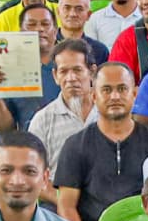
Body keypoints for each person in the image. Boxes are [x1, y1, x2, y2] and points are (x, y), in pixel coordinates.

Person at [52, 61, 148, 221]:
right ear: (93, 96)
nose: (115, 96)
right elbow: (67, 206)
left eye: (122, 89)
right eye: (106, 90)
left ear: (134, 94)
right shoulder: (75, 145)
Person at [22, 38, 100, 167]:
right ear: (55, 76)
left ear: (92, 72)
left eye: (77, 70)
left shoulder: (107, 113)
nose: (71, 78)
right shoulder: (43, 121)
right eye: (63, 71)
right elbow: (32, 169)